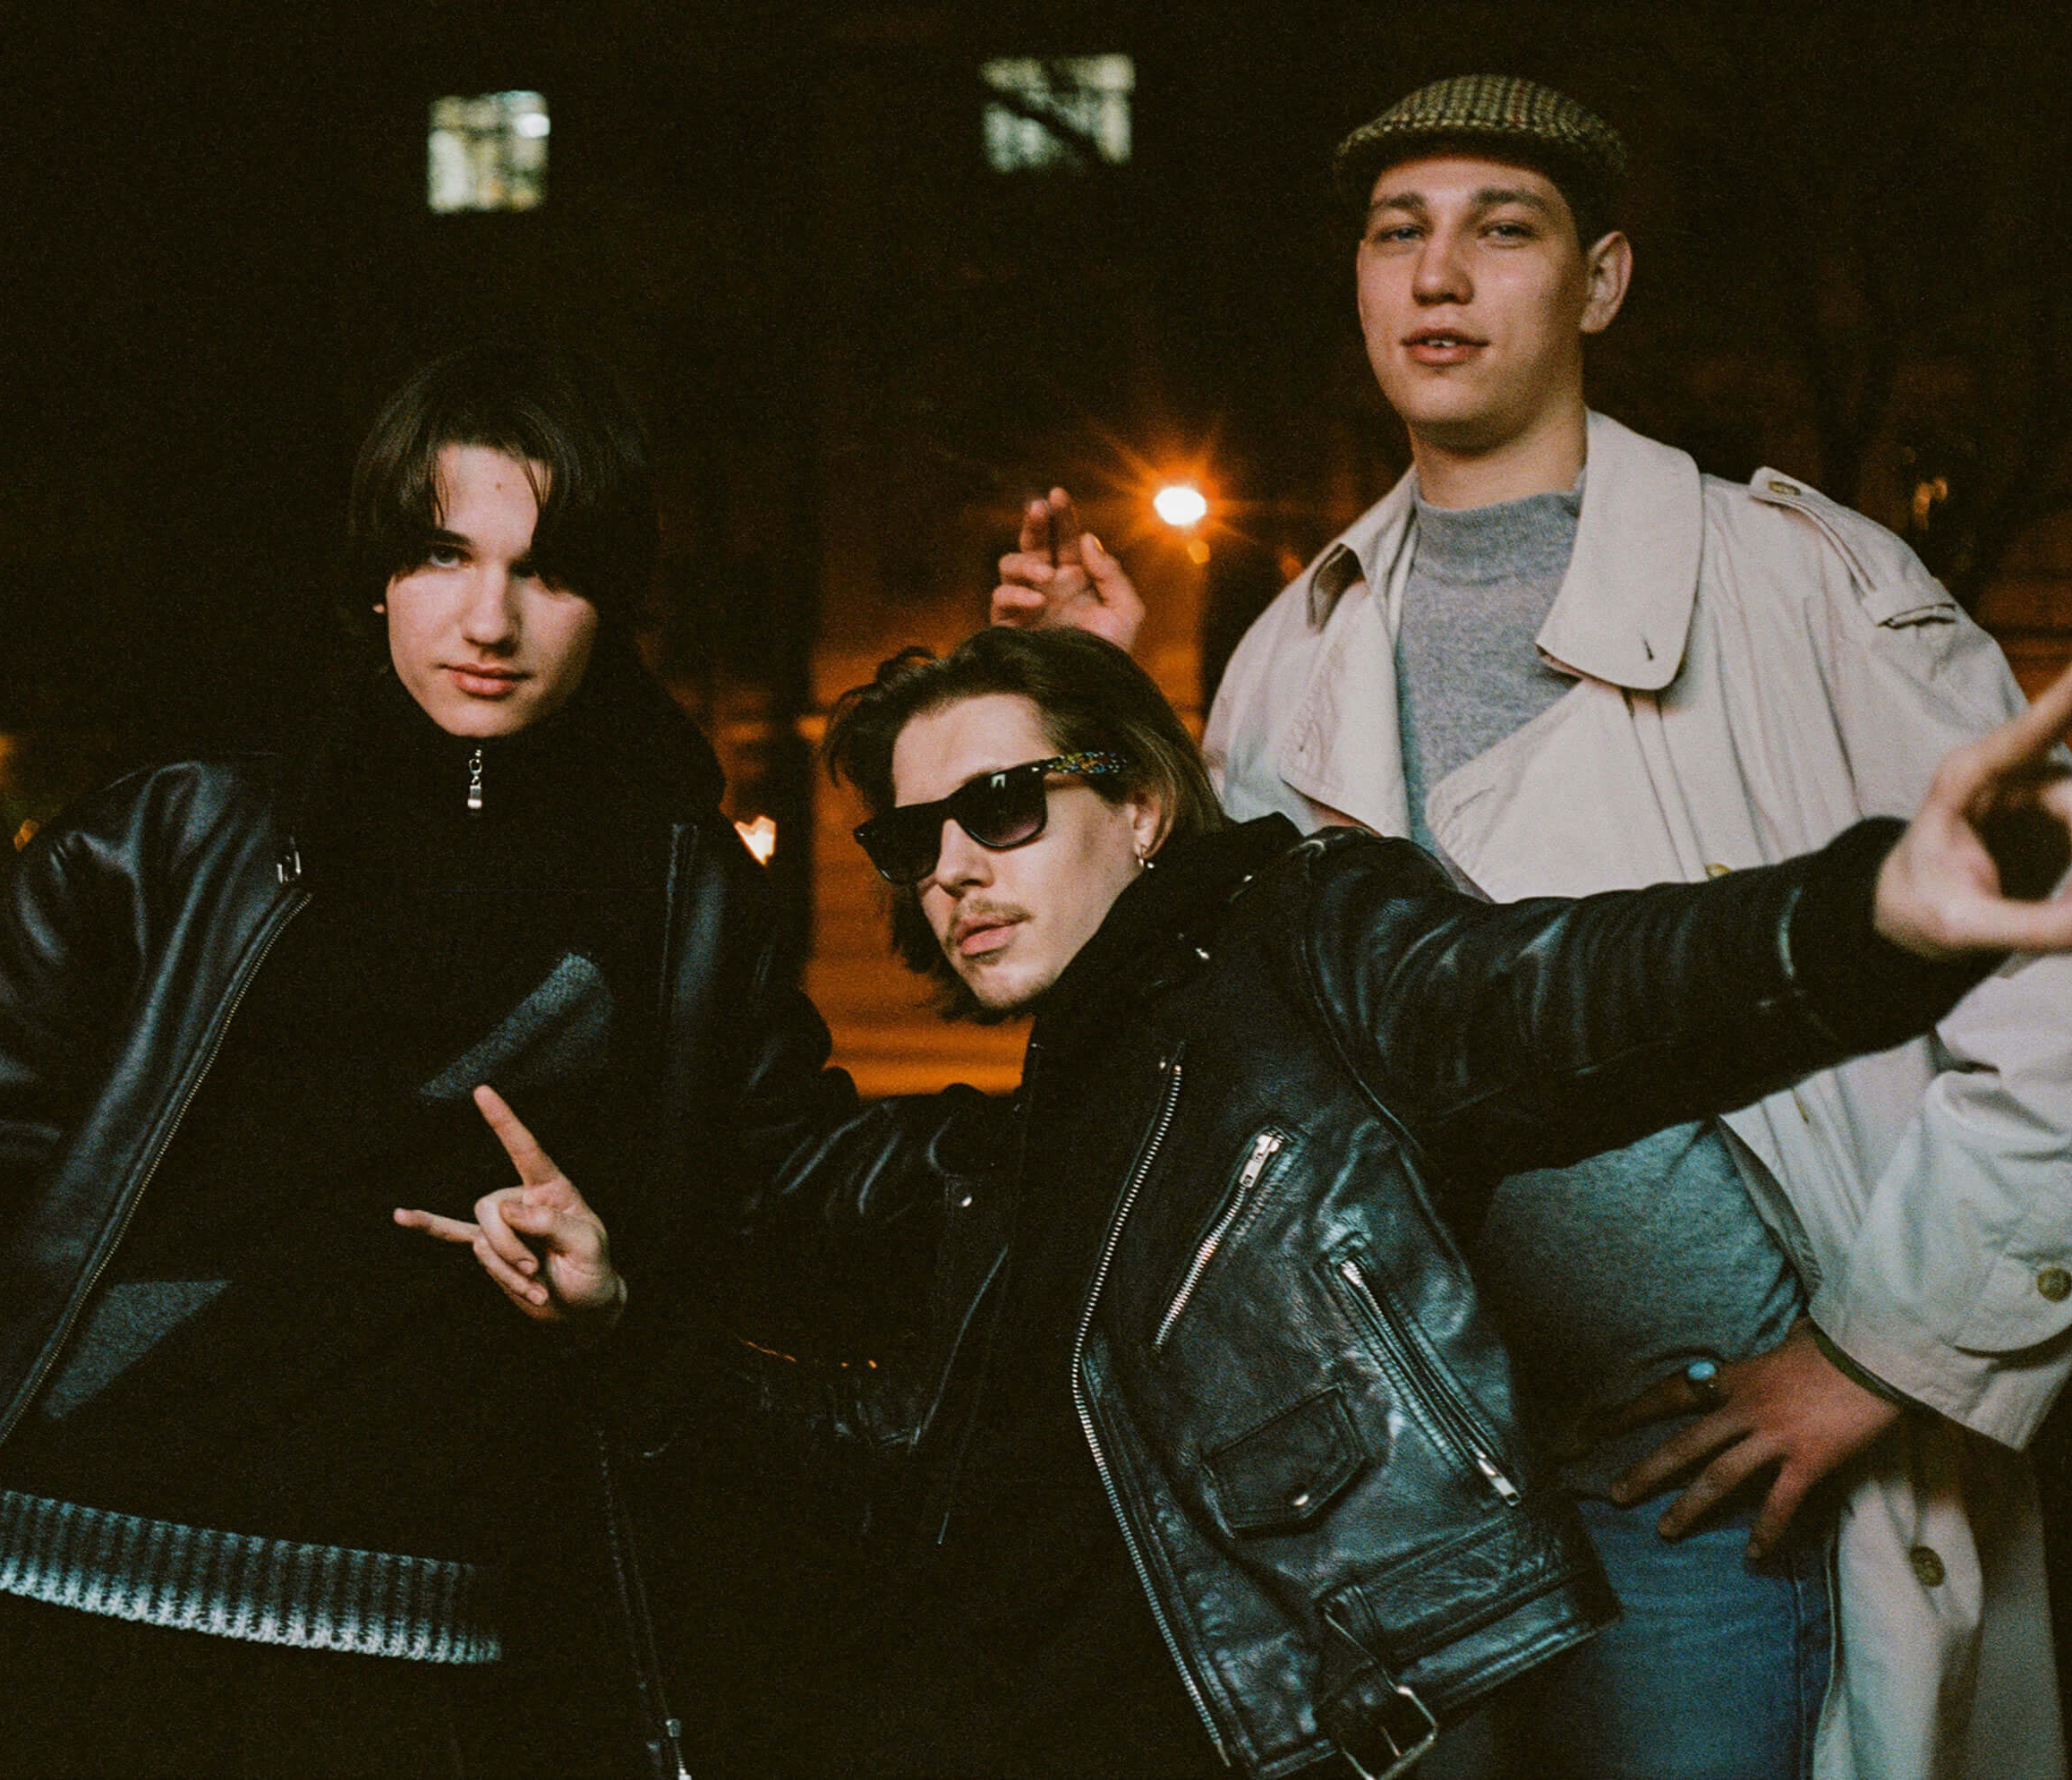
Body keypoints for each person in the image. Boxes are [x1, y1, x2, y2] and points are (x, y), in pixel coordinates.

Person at [0, 343, 910, 1777]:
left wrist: (625, 1290)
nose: (491, 616)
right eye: (445, 553)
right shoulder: (172, 837)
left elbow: (807, 1185)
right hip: (49, 1598)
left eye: (551, 570)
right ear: (381, 572)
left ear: (612, 601)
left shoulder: (679, 892)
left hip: (406, 1651)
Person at [421, 623, 2072, 1780]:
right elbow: (902, 1443)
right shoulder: (1037, 1138)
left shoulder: (1300, 944)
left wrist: (1873, 918)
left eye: (1003, 805)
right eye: (914, 837)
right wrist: (624, 1330)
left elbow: (1550, 997)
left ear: (1137, 803)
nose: (956, 869)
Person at [993, 73, 2072, 1779]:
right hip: (1416, 1482)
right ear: (1355, 283)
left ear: (1602, 281)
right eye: (1396, 234)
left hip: (1701, 1474)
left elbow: (2054, 985)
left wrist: (1885, 1350)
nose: (1439, 277)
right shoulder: (1291, 646)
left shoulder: (1805, 585)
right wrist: (1114, 715)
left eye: (1503, 230)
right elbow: (1248, 1019)